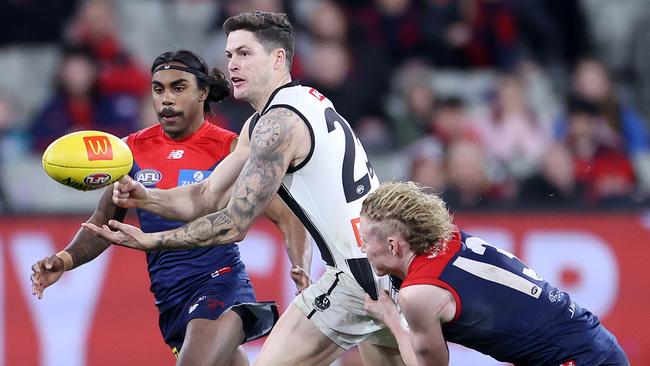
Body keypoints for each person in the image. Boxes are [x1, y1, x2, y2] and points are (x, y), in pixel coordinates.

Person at [83, 12, 404, 366]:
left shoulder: (278, 125)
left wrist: (152, 241)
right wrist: (147, 197)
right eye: (230, 53)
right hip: (382, 271)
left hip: (355, 278)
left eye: (245, 53)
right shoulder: (283, 112)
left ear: (278, 58)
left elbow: (233, 224)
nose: (232, 64)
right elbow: (206, 194)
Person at [30, 49, 312, 366]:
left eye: (179, 88)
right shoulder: (127, 151)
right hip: (171, 299)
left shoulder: (231, 149)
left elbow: (287, 216)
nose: (166, 99)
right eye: (158, 88)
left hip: (219, 280)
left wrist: (300, 268)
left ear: (203, 92)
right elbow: (103, 223)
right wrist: (64, 260)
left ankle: (240, 315)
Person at [359, 181, 630, 366]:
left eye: (366, 240)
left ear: (393, 245)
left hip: (577, 359)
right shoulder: (448, 238)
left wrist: (391, 319)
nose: (362, 247)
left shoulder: (418, 294)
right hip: (594, 344)